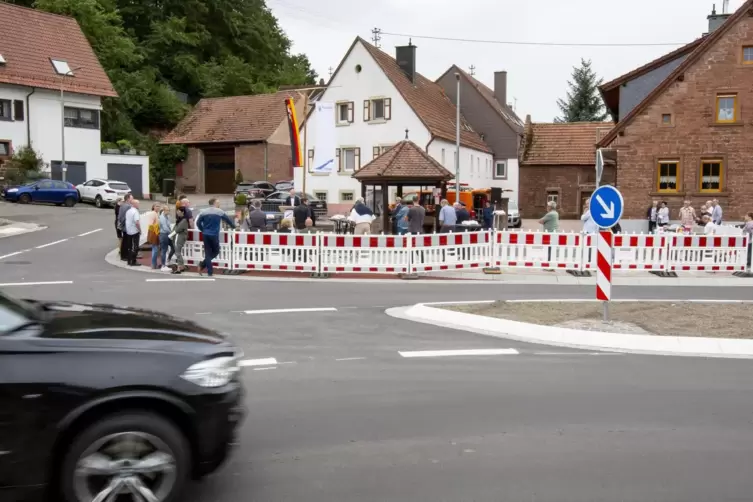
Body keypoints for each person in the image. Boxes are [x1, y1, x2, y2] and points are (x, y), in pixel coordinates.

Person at [195, 198, 235, 277]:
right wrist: (233, 227)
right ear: (214, 203)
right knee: (216, 251)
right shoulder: (219, 211)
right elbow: (228, 220)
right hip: (214, 234)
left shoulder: (203, 212)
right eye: (218, 203)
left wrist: (202, 229)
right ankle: (203, 266)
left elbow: (198, 222)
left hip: (205, 234)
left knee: (207, 253)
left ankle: (207, 269)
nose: (219, 204)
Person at [171, 207, 189, 274]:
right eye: (177, 211)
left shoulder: (183, 220)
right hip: (178, 237)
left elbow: (178, 229)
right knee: (178, 252)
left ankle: (179, 268)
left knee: (177, 252)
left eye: (178, 211)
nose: (177, 212)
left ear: (182, 212)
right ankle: (182, 266)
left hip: (179, 237)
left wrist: (170, 235)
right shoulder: (181, 219)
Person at [124, 199, 141, 266]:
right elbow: (137, 222)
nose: (138, 205)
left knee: (130, 247)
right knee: (136, 246)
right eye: (138, 204)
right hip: (134, 231)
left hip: (128, 231)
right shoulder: (135, 212)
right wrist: (140, 230)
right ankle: (133, 261)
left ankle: (129, 260)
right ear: (134, 204)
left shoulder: (128, 211)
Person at [117, 192, 133, 261]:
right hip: (127, 226)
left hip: (122, 225)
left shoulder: (122, 205)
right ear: (128, 198)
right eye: (131, 198)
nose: (132, 199)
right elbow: (127, 217)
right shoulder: (128, 206)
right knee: (127, 241)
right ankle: (125, 255)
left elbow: (120, 216)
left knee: (124, 241)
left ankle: (123, 255)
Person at [158, 205, 174, 271]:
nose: (168, 211)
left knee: (173, 247)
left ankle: (167, 260)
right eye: (167, 210)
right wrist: (171, 232)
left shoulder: (167, 216)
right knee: (164, 250)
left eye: (169, 210)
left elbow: (169, 225)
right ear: (164, 210)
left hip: (167, 234)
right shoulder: (162, 217)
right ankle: (163, 265)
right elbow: (165, 228)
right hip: (164, 235)